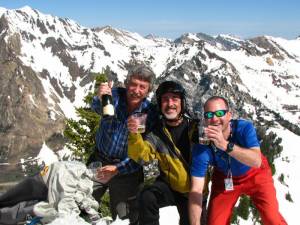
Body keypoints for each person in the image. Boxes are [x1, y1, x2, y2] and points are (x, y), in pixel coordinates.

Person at [189, 96, 287, 225]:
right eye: (209, 114)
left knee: (272, 219)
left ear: (229, 115)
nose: (214, 118)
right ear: (205, 120)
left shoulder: (244, 128)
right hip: (225, 177)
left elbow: (256, 161)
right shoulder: (202, 146)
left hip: (256, 174)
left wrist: (224, 144)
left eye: (219, 113)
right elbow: (196, 190)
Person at [89, 63, 157, 224]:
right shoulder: (114, 96)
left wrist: (118, 169)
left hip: (127, 170)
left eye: (142, 87)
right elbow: (96, 107)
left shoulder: (150, 113)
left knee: (124, 217)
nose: (137, 90)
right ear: (126, 83)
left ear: (148, 91)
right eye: (133, 84)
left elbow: (144, 152)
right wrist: (99, 97)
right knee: (82, 201)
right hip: (98, 161)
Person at [127, 81, 200, 225]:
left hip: (196, 193)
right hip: (172, 189)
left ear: (182, 103)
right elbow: (143, 156)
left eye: (174, 98)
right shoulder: (156, 134)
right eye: (165, 99)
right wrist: (134, 134)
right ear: (160, 105)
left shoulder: (196, 129)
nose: (170, 103)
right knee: (147, 195)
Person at [0, 161, 101, 225]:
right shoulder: (76, 171)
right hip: (43, 183)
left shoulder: (84, 178)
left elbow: (83, 199)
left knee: (16, 203)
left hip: (43, 184)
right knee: (12, 201)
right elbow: (66, 199)